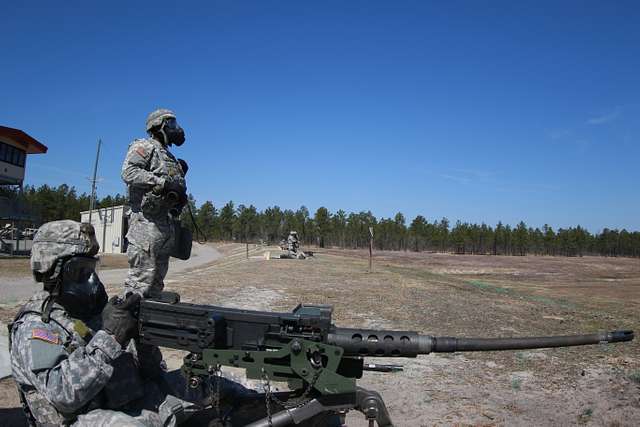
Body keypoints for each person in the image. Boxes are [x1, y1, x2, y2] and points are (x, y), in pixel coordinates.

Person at [9, 220, 247, 426]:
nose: (91, 280)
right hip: (82, 419)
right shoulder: (37, 326)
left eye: (92, 269)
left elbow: (153, 372)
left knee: (211, 385)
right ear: (52, 270)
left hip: (126, 402)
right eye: (81, 272)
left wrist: (142, 339)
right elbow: (63, 394)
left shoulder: (93, 310)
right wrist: (110, 337)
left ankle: (266, 409)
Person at [122, 108, 188, 298]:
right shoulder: (145, 146)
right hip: (145, 225)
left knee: (155, 286)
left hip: (164, 226)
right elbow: (129, 172)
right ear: (159, 125)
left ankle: (148, 323)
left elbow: (172, 191)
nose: (177, 128)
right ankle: (125, 324)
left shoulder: (168, 156)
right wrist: (162, 182)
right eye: (172, 124)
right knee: (138, 285)